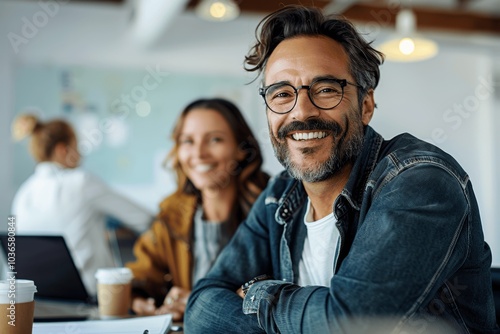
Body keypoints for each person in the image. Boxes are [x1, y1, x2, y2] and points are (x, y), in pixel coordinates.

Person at [184, 6, 499, 334]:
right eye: (281, 94)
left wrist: (260, 294)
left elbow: (347, 325)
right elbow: (202, 307)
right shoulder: (279, 196)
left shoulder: (422, 182)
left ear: (365, 106)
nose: (302, 112)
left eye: (325, 90)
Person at [125, 98, 270, 321]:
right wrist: (139, 302)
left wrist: (201, 304)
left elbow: (282, 288)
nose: (199, 153)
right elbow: (141, 275)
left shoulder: (274, 208)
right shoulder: (171, 215)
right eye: (188, 141)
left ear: (242, 150)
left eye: (215, 140)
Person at [11, 114, 153, 296]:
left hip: (37, 300)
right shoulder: (82, 181)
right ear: (63, 150)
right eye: (77, 146)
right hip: (89, 298)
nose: (80, 154)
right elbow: (145, 220)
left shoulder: (23, 192)